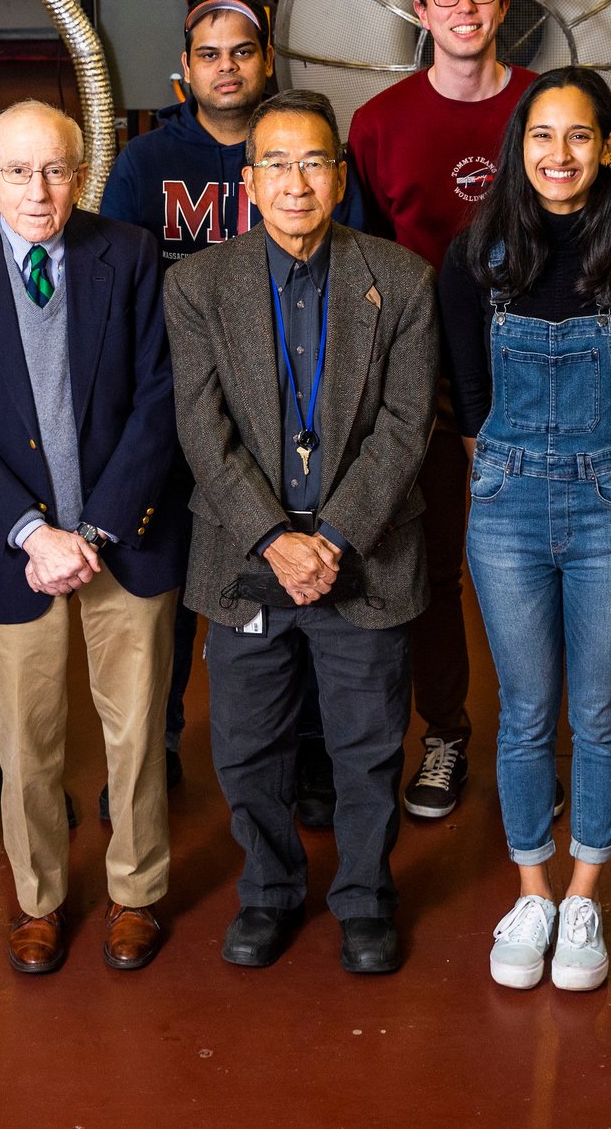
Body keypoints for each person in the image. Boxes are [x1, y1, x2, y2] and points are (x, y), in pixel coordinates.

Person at [167, 90, 438, 976]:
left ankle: (363, 899)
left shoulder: (399, 281)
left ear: (339, 174)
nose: (295, 181)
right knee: (247, 747)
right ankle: (270, 892)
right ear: (248, 184)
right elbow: (202, 431)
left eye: (312, 162)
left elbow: (407, 426)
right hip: (247, 558)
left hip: (367, 555)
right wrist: (276, 538)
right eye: (275, 164)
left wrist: (336, 537)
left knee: (366, 748)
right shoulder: (199, 283)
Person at [0, 102, 189, 976]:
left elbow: (160, 404)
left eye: (56, 170)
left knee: (137, 733)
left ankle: (136, 891)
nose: (39, 191)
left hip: (126, 540)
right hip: (16, 554)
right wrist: (38, 534)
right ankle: (37, 901)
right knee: (26, 741)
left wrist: (99, 528)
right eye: (17, 171)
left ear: (81, 173)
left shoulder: (131, 253)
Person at [442, 67, 611, 991]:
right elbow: (470, 396)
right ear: (519, 148)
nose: (559, 155)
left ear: (610, 147)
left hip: (609, 504)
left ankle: (585, 888)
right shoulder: (476, 257)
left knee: (597, 709)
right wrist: (510, 472)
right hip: (505, 505)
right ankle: (531, 887)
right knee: (525, 712)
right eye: (541, 137)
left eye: (579, 136)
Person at [99, 0, 362, 813]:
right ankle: (162, 740)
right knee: (171, 585)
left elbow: (359, 266)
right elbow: (115, 279)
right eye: (208, 53)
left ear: (267, 59)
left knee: (304, 574)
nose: (226, 65)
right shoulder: (147, 162)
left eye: (241, 50)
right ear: (185, 66)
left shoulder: (304, 147)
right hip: (181, 404)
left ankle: (313, 749)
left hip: (289, 405)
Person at [347, 0, 536, 820]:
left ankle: (537, 741)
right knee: (428, 562)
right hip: (421, 379)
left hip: (536, 371)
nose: (464, 7)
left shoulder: (548, 106)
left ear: (504, 6)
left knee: (540, 563)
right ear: (421, 10)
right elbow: (364, 266)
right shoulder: (378, 125)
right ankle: (448, 730)